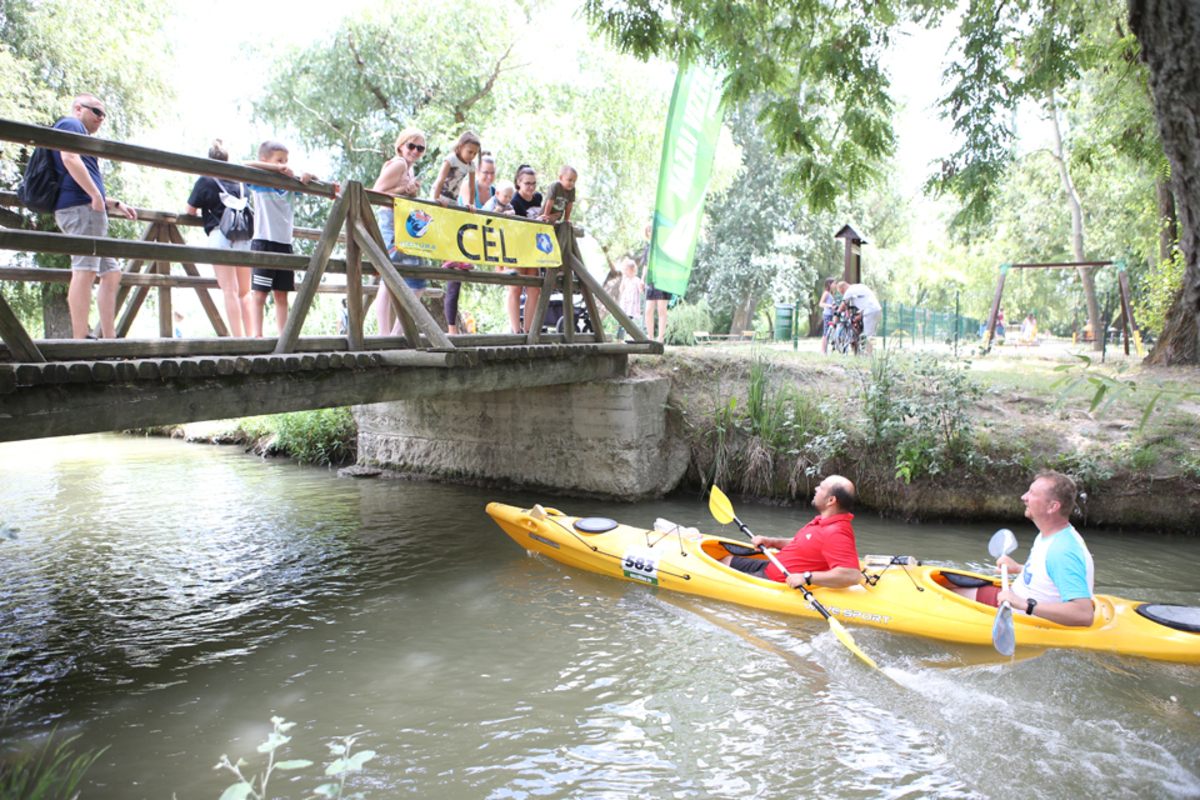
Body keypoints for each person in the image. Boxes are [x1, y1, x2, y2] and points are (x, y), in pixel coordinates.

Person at [952, 470, 1095, 627]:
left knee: (946, 597)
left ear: (1052, 506)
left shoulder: (1062, 551)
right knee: (948, 584)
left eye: (1032, 494)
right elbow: (1051, 574)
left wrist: (1026, 604)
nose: (1024, 497)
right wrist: (1019, 568)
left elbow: (1084, 615)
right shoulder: (1050, 535)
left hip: (1019, 615)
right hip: (1012, 599)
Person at [51, 93, 138, 339]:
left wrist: (114, 202)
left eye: (104, 114)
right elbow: (69, 159)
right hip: (81, 210)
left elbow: (82, 180)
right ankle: (81, 339)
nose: (101, 118)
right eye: (97, 112)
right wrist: (96, 197)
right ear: (78, 108)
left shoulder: (82, 135)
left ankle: (108, 338)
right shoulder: (71, 124)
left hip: (87, 209)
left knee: (111, 273)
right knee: (85, 269)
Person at [720, 475, 863, 589]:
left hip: (778, 581)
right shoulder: (823, 521)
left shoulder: (836, 533)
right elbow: (803, 544)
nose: (816, 489)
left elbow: (851, 575)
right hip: (773, 567)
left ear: (831, 500)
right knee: (725, 560)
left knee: (720, 575)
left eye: (821, 488)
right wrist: (773, 542)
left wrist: (806, 577)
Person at [243, 140, 316, 337]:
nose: (284, 164)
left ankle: (284, 336)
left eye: (286, 160)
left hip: (285, 245)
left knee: (281, 294)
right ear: (267, 161)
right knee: (259, 293)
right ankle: (257, 336)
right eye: (279, 160)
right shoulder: (261, 184)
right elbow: (245, 165)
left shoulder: (290, 186)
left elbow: (314, 181)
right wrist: (273, 168)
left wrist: (308, 176)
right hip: (264, 242)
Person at [185, 139, 253, 337]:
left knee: (229, 290)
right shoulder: (240, 183)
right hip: (242, 237)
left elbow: (189, 211)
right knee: (245, 292)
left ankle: (238, 339)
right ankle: (252, 338)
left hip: (219, 235)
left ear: (210, 160)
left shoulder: (206, 181)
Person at [371, 128, 426, 336]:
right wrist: (405, 190)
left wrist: (412, 191)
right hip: (391, 224)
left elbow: (405, 195)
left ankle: (395, 334)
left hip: (405, 225)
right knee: (390, 278)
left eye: (420, 148)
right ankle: (385, 335)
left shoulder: (409, 168)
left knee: (417, 282)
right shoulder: (399, 164)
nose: (415, 151)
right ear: (401, 145)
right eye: (411, 146)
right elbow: (375, 192)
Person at [431, 132, 481, 335]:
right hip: (440, 195)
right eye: (469, 151)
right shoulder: (450, 159)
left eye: (475, 153)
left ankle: (457, 259)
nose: (471, 156)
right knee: (443, 230)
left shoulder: (471, 166)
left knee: (456, 230)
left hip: (454, 199)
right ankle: (447, 259)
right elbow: (441, 178)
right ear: (460, 146)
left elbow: (471, 185)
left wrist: (470, 203)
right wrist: (435, 199)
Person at [507, 165, 544, 334]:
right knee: (515, 288)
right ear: (519, 183)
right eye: (528, 183)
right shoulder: (514, 201)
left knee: (534, 289)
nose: (531, 187)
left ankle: (529, 330)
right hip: (516, 248)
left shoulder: (538, 198)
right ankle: (516, 331)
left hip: (532, 249)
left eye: (534, 183)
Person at [640, 223, 671, 341]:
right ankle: (651, 337)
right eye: (648, 231)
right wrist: (642, 280)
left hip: (663, 280)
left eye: (651, 230)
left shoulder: (664, 245)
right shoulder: (647, 248)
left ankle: (660, 338)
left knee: (661, 309)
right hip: (651, 281)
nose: (650, 232)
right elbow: (645, 265)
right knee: (648, 310)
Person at [836, 281, 882, 355]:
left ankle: (869, 355)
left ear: (844, 288)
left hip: (869, 310)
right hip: (877, 309)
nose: (843, 294)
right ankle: (868, 352)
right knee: (871, 333)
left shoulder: (849, 290)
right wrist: (860, 315)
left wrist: (837, 313)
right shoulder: (860, 286)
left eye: (842, 292)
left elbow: (843, 304)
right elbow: (865, 302)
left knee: (868, 335)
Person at [615, 255, 644, 341]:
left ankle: (630, 338)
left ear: (633, 269)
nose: (625, 272)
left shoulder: (636, 280)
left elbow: (640, 290)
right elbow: (621, 289)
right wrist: (623, 279)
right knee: (621, 321)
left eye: (627, 270)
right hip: (624, 304)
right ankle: (619, 339)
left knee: (628, 322)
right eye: (624, 270)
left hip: (631, 305)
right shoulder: (626, 280)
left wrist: (642, 285)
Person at [818, 277, 837, 354]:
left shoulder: (831, 295)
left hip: (830, 314)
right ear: (829, 284)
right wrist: (830, 306)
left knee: (828, 332)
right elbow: (821, 303)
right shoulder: (826, 293)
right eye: (834, 284)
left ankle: (825, 349)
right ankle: (822, 350)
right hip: (827, 314)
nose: (835, 285)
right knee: (826, 332)